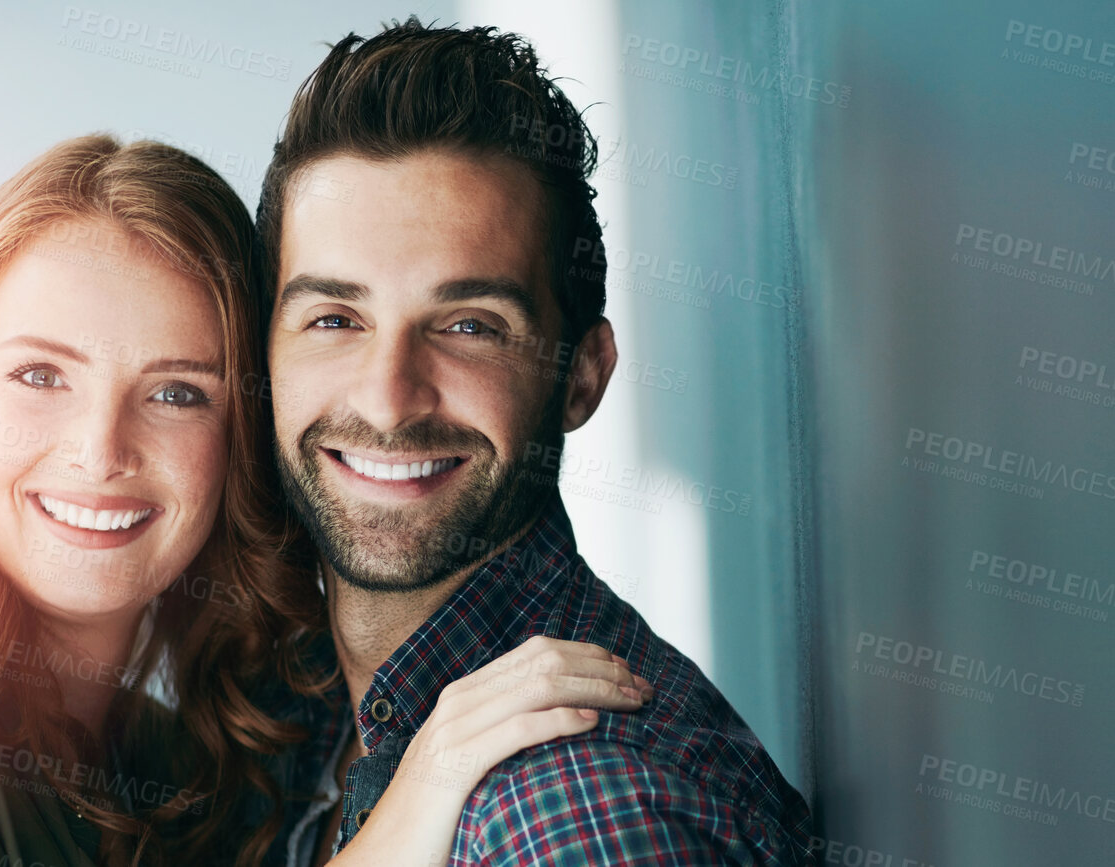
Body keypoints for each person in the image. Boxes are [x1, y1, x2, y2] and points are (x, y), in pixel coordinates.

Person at [0, 135, 644, 867]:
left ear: (244, 441)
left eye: (177, 392)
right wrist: (403, 823)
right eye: (40, 377)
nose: (99, 452)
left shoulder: (187, 762)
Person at [255, 19, 812, 865]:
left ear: (582, 376)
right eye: (334, 318)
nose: (388, 397)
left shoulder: (566, 813)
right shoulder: (299, 702)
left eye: (469, 325)